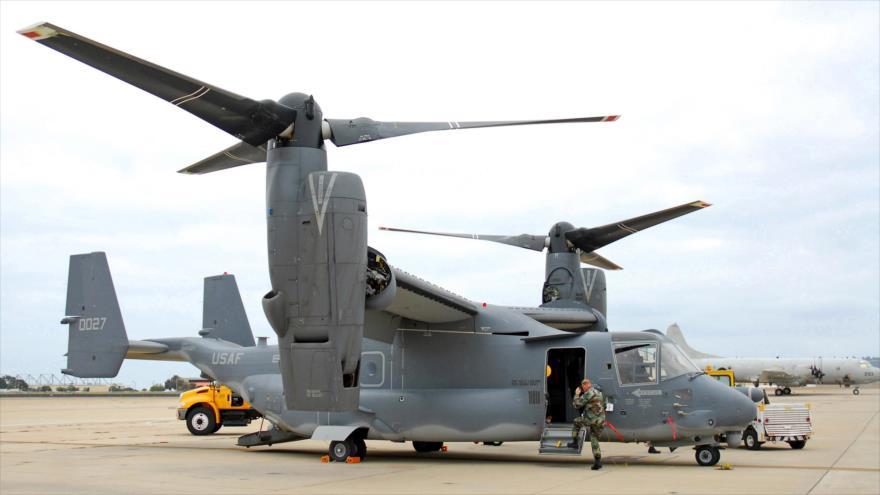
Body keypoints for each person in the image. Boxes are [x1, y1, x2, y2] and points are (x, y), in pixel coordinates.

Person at [568, 377, 606, 470]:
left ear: (586, 385)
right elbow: (603, 406)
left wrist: (576, 394)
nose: (583, 389)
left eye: (583, 387)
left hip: (591, 419)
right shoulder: (599, 393)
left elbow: (577, 404)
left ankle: (575, 442)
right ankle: (598, 462)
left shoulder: (589, 393)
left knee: (576, 421)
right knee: (594, 439)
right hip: (601, 420)